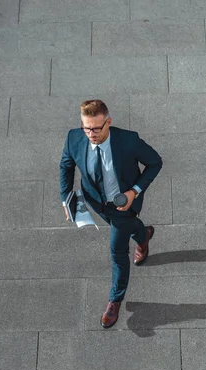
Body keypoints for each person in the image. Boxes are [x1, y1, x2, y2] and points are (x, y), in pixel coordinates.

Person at [59, 99, 163, 328]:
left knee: (117, 251)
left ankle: (115, 300)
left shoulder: (128, 141)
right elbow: (66, 165)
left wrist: (134, 192)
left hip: (124, 205)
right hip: (97, 203)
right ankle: (143, 234)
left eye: (97, 128)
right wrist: (65, 198)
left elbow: (155, 162)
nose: (91, 134)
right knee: (129, 228)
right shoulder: (74, 138)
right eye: (87, 127)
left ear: (108, 122)